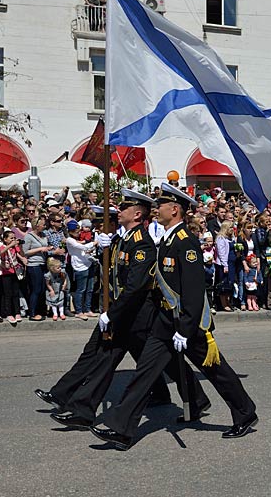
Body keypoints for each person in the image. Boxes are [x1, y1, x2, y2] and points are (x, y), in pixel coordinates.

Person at [91, 183, 258, 449]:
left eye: (162, 205)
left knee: (216, 371)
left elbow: (193, 291)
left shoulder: (185, 242)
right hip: (164, 321)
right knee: (144, 373)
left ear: (175, 209)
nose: (156, 209)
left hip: (186, 323)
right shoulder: (167, 240)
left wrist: (186, 328)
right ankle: (121, 429)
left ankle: (245, 412)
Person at [44, 189, 196, 429]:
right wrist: (108, 243)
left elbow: (135, 287)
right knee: (109, 359)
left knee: (149, 365)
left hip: (135, 315)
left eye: (123, 208)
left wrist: (111, 313)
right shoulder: (123, 240)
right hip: (123, 312)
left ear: (136, 214)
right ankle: (78, 406)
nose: (118, 211)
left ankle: (193, 399)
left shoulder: (142, 244)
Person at [65, 219, 97, 320]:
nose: (79, 233)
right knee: (81, 289)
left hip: (88, 262)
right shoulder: (69, 240)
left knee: (89, 289)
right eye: (76, 231)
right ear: (70, 231)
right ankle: (79, 311)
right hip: (79, 266)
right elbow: (80, 247)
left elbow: (85, 248)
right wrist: (94, 243)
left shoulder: (79, 238)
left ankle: (87, 309)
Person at [23, 216, 50, 321]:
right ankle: (32, 313)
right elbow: (26, 251)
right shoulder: (28, 237)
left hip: (42, 264)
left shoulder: (43, 235)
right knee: (36, 289)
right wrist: (40, 249)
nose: (44, 226)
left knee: (42, 289)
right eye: (42, 225)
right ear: (36, 226)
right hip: (33, 265)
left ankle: (40, 310)